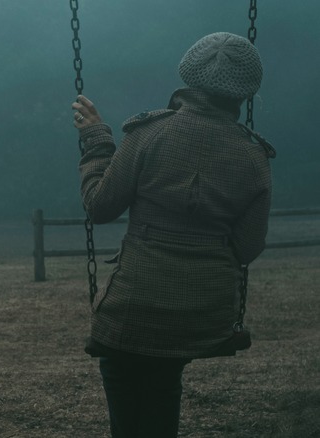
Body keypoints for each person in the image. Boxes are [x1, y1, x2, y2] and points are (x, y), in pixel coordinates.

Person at [71, 32, 274, 437]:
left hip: (136, 306)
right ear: (246, 91)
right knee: (164, 379)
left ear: (189, 75)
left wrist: (96, 140)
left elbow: (100, 207)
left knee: (125, 375)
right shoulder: (253, 157)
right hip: (202, 313)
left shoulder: (148, 134)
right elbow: (248, 247)